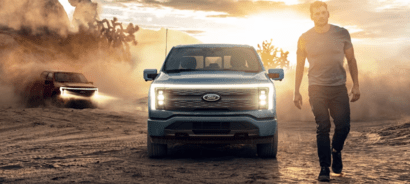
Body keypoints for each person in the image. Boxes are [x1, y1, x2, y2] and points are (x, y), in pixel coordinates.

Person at [293, 1, 360, 182]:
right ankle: (324, 168)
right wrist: (296, 91)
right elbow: (299, 66)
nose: (321, 16)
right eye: (317, 13)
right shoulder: (304, 38)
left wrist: (356, 85)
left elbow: (352, 60)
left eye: (323, 12)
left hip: (338, 87)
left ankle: (336, 151)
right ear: (312, 16)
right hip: (316, 88)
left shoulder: (342, 33)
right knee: (323, 127)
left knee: (343, 125)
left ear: (328, 14)